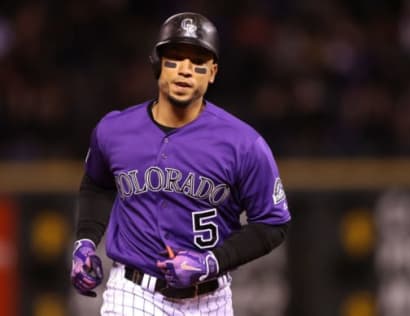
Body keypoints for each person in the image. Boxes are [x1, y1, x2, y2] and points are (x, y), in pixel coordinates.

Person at [70, 12, 291, 315]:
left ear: (212, 72)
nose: (185, 70)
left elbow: (272, 222)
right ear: (157, 63)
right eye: (175, 58)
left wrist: (211, 261)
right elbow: (97, 184)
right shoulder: (114, 130)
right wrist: (84, 242)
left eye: (198, 62)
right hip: (133, 292)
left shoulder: (243, 143)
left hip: (209, 299)